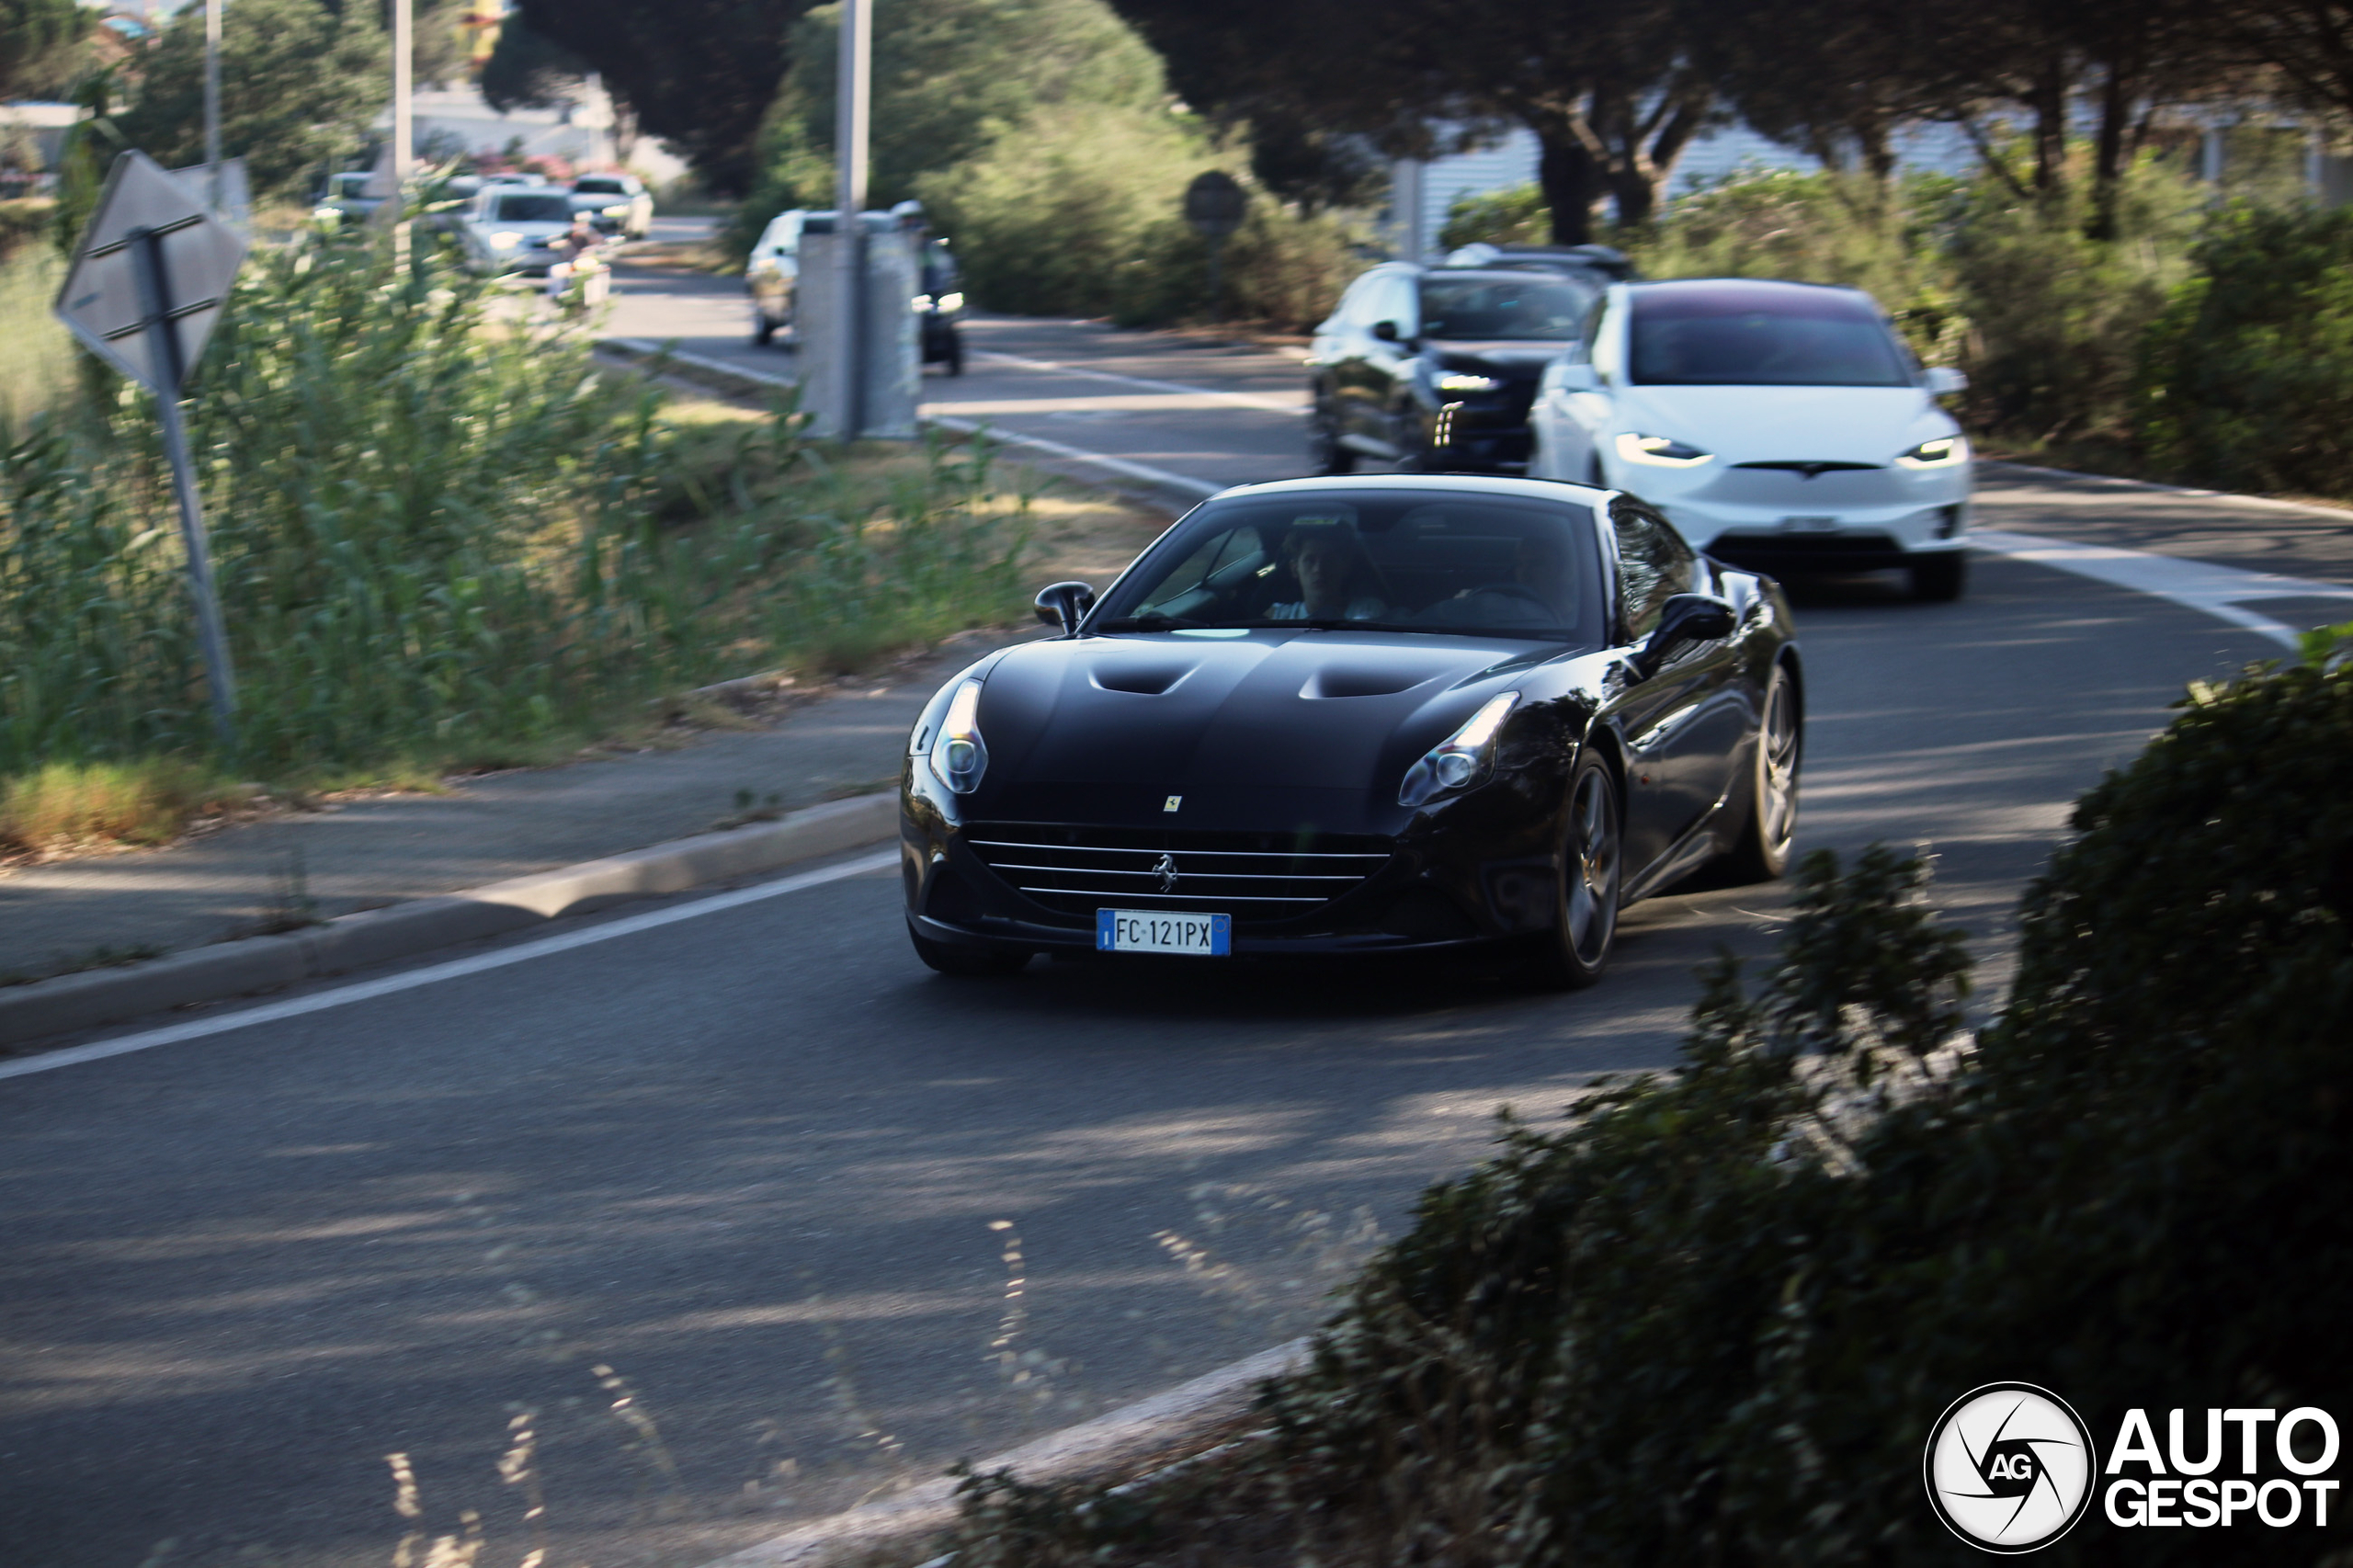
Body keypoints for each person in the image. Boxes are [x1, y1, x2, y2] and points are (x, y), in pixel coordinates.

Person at [1265, 525, 1387, 621]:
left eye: (1329, 560)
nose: (1318, 569)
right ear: (1295, 569)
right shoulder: (1278, 616)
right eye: (1310, 561)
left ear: (1344, 567)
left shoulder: (1371, 611)